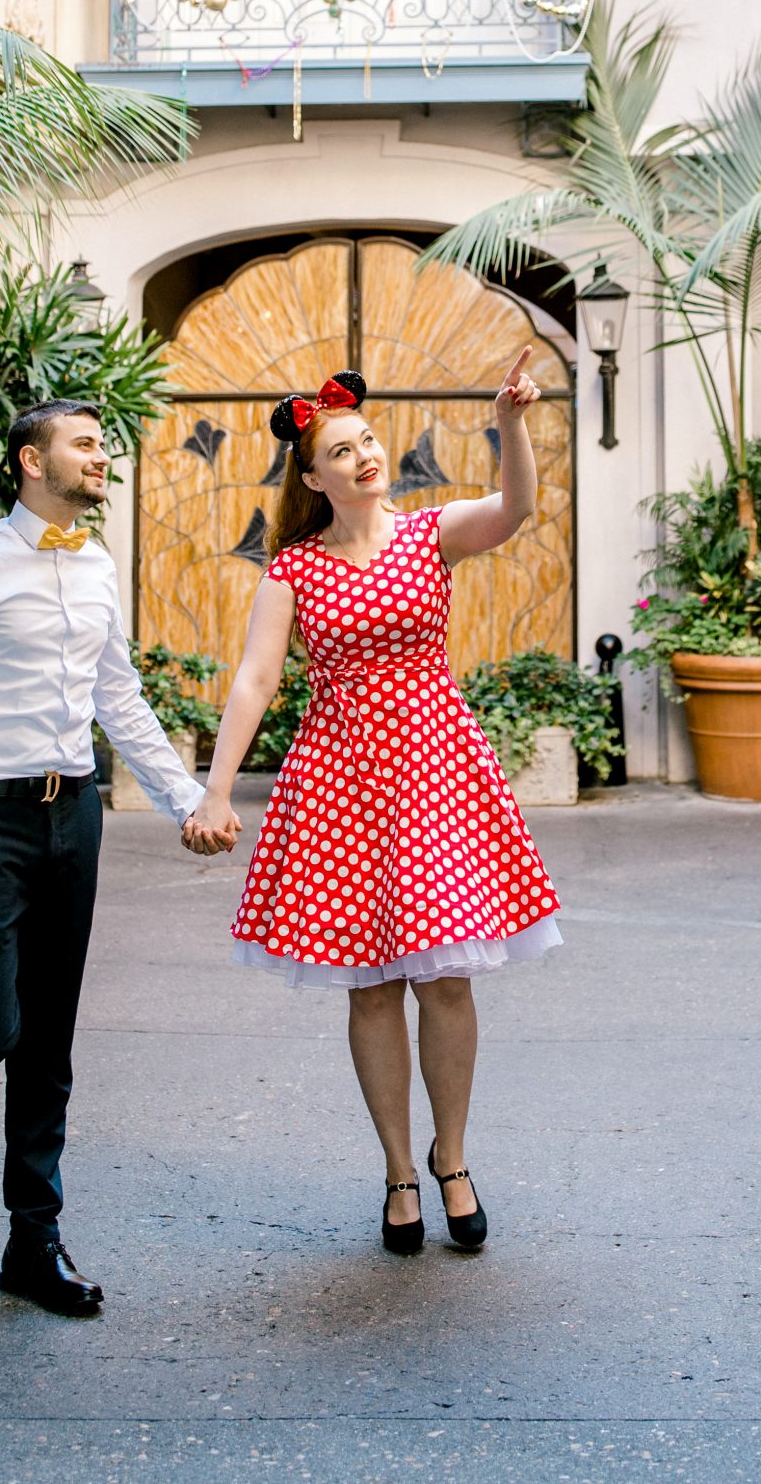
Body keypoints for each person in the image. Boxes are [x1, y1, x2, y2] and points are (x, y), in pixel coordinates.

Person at [181, 351, 561, 1254]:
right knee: (372, 984)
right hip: (339, 782)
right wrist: (216, 791)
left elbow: (515, 509)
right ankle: (398, 1168)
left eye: (367, 440)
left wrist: (509, 424)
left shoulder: (430, 534)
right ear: (313, 478)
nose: (364, 456)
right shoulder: (294, 569)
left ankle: (451, 1158)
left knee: (447, 977)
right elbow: (256, 679)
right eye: (341, 450)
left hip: (436, 772)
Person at [0, 399, 206, 1317]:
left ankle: (34, 1242)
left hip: (74, 815)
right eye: (85, 444)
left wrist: (185, 800)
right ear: (33, 461)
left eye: (102, 444)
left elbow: (118, 696)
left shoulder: (95, 564)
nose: (102, 456)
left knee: (49, 1040)